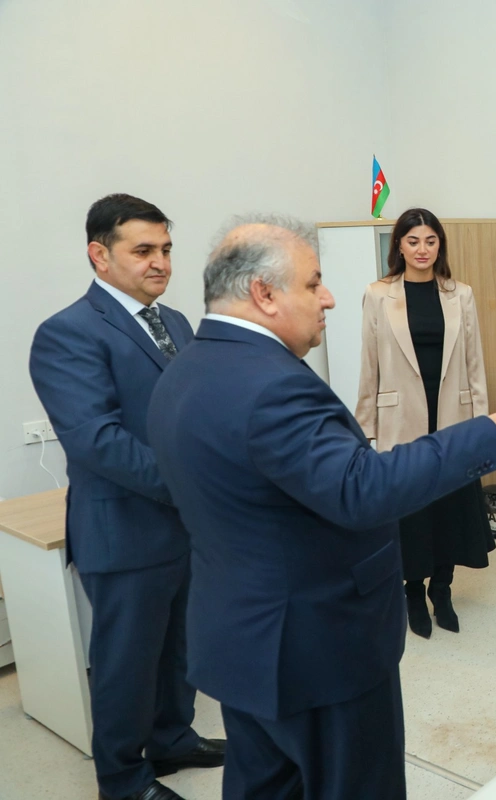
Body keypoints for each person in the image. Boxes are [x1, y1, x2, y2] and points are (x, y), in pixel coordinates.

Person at [146, 215, 496, 800]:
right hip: (315, 650)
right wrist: (490, 433)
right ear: (264, 293)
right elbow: (361, 489)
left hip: (241, 640)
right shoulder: (273, 385)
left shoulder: (186, 367)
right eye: (313, 283)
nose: (329, 298)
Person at [29, 194, 221, 800]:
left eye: (165, 249)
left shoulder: (178, 323)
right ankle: (122, 778)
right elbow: (97, 441)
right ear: (100, 255)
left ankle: (172, 738)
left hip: (185, 528)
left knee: (180, 647)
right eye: (143, 250)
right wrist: (193, 486)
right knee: (127, 663)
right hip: (125, 531)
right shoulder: (68, 332)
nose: (160, 262)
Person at [356, 208, 493, 638]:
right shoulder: (378, 294)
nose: (422, 249)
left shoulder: (460, 294)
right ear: (399, 245)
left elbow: (475, 364)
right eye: (413, 241)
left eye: (430, 241)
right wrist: (365, 429)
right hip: (401, 421)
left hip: (452, 418)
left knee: (450, 509)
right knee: (411, 513)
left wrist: (483, 426)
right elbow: (369, 367)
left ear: (440, 246)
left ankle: (443, 590)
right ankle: (413, 592)